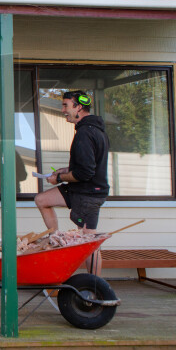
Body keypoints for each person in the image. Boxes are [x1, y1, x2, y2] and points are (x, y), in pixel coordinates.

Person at [34, 91, 109, 274]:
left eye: (66, 105)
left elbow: (85, 173)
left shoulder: (85, 133)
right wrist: (65, 170)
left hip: (89, 194)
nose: (63, 110)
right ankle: (56, 238)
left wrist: (59, 178)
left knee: (88, 242)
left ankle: (94, 285)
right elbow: (88, 165)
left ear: (79, 107)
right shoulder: (92, 130)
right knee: (42, 200)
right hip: (79, 189)